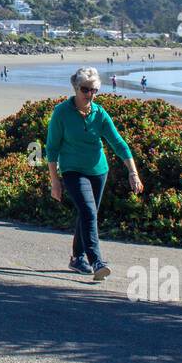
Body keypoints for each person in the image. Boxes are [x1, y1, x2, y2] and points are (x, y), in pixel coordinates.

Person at [47, 69, 143, 279]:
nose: (90, 94)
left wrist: (132, 172)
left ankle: (77, 258)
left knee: (88, 213)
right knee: (89, 212)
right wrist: (55, 182)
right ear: (75, 88)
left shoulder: (99, 114)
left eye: (94, 90)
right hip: (72, 170)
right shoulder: (61, 112)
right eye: (85, 90)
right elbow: (52, 149)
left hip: (99, 171)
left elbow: (118, 143)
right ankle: (96, 261)